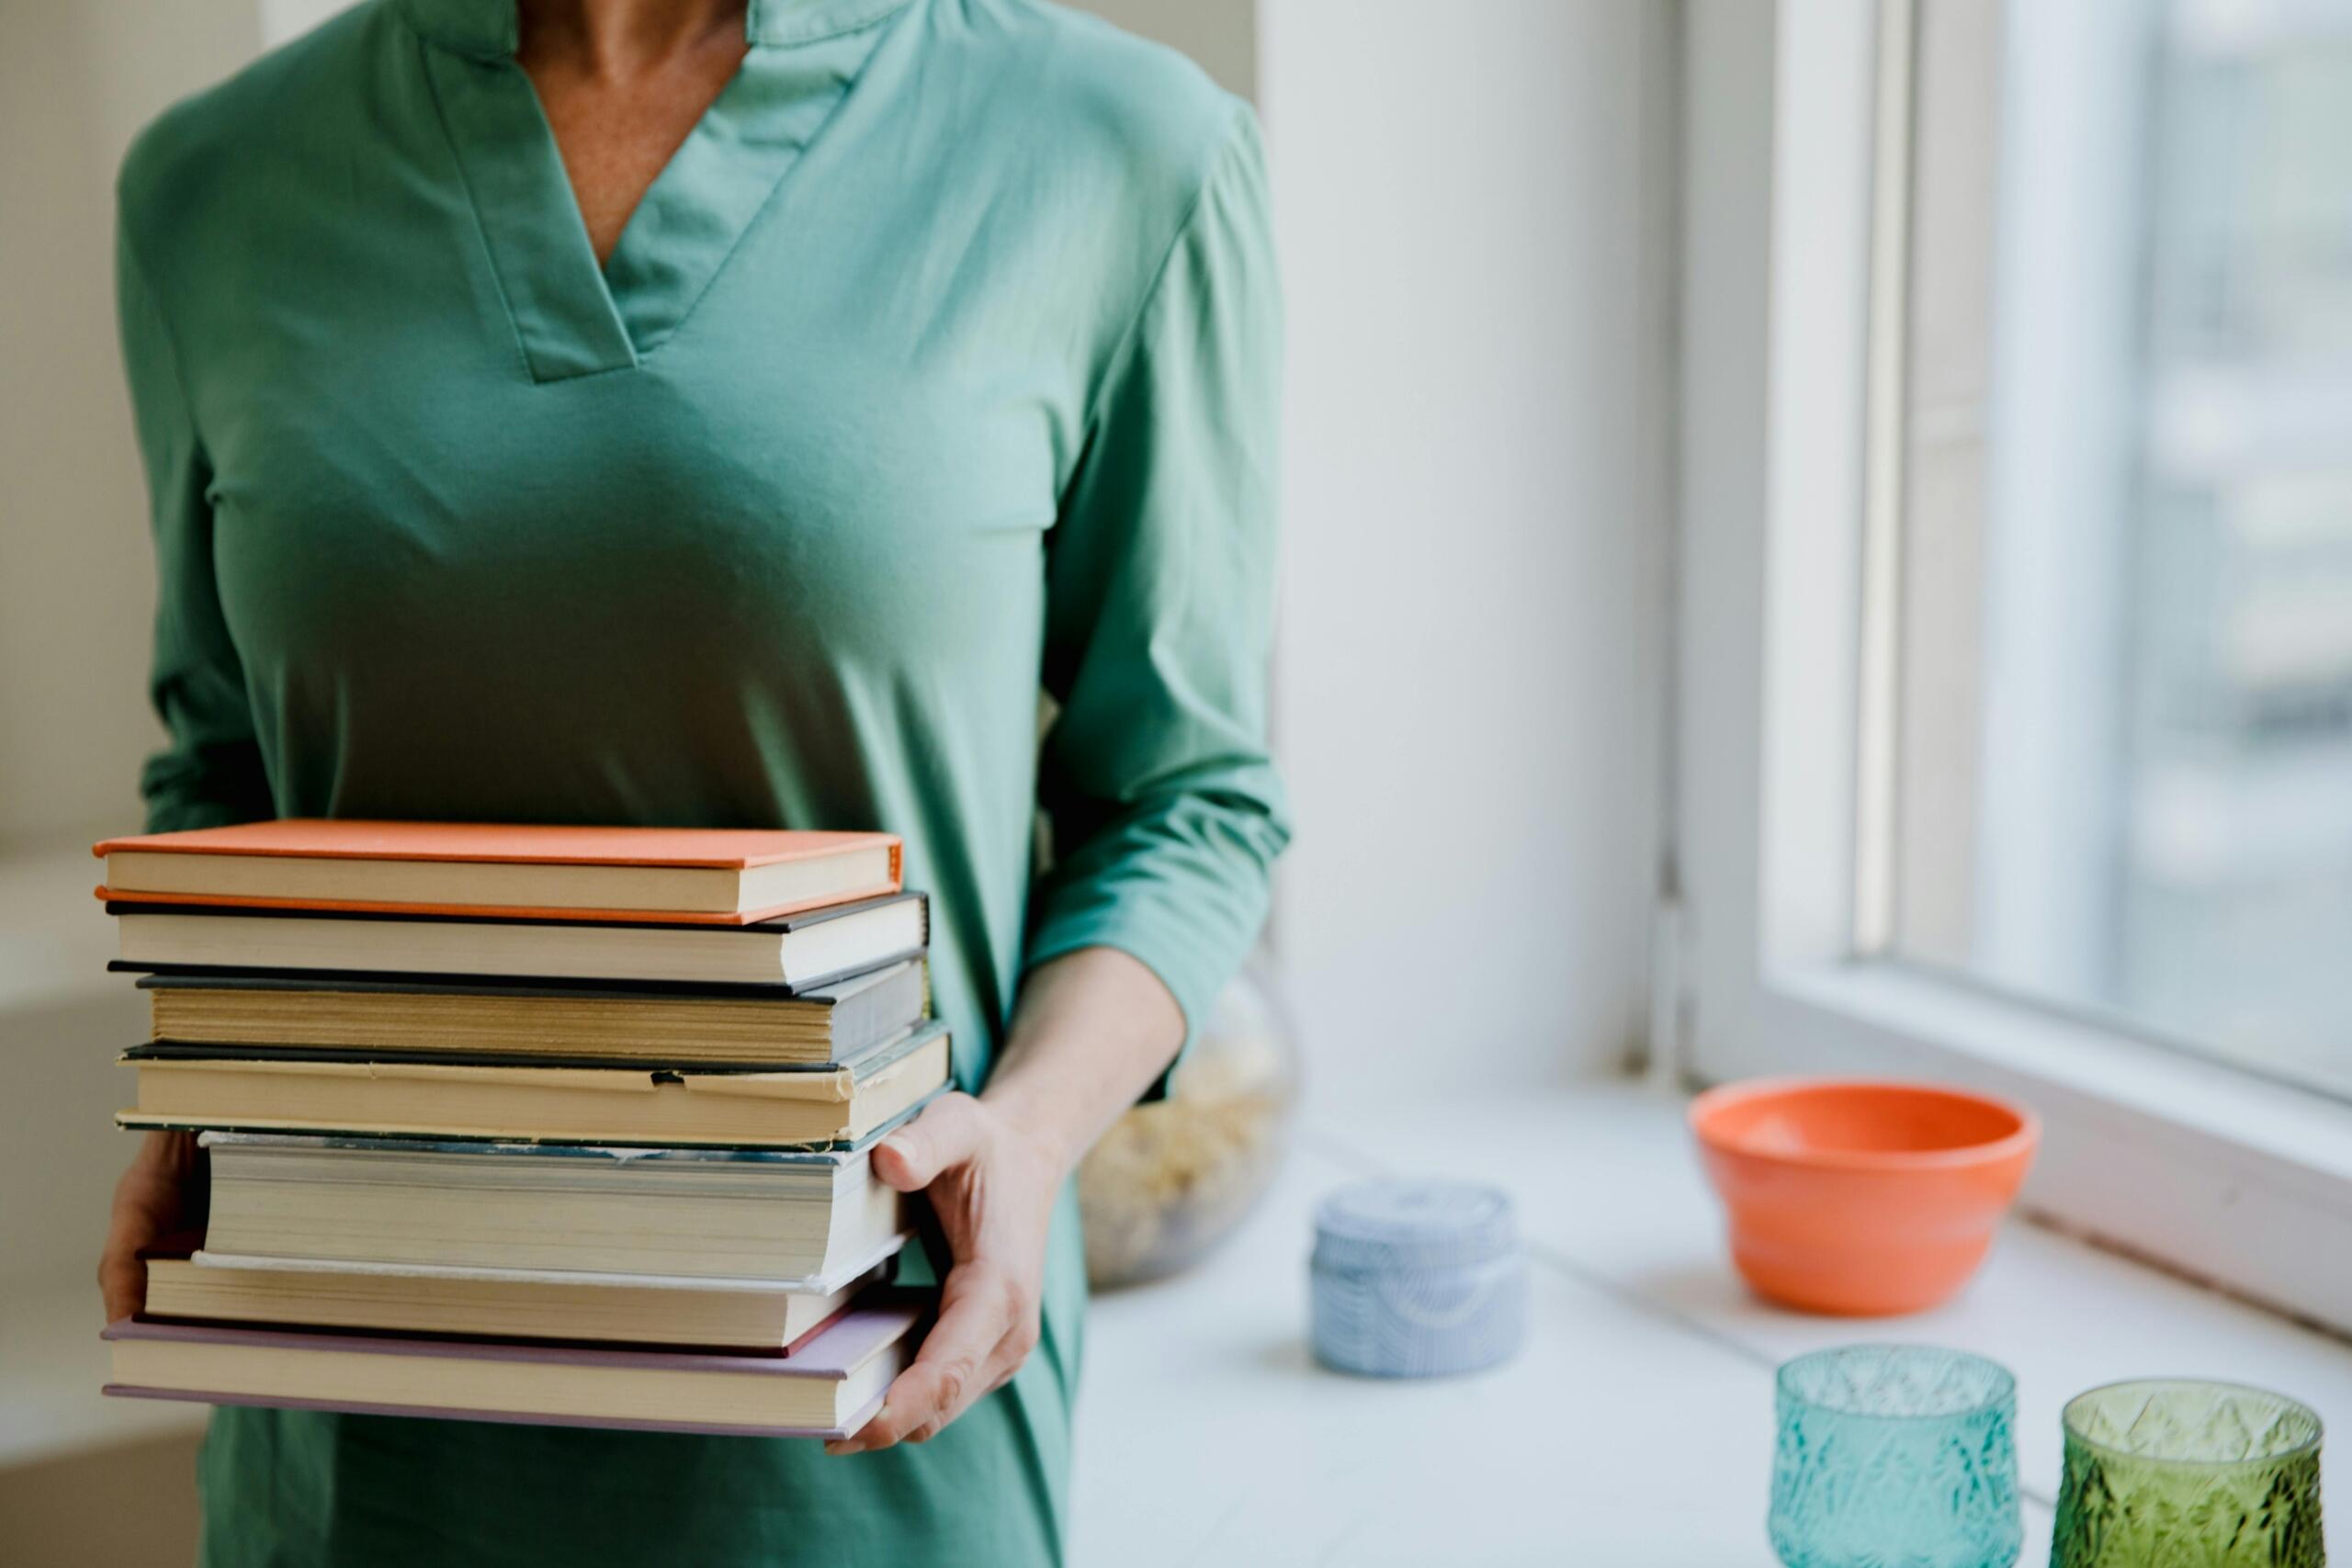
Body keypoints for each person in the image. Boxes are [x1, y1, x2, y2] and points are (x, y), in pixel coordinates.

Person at [95, 0, 1288, 1561]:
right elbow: (222, 766)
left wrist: (1038, 1129)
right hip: (355, 1435)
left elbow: (1185, 800)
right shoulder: (211, 184)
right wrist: (207, 1083)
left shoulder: (1122, 152)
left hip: (863, 1439)